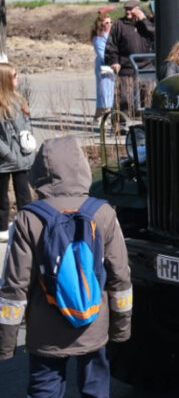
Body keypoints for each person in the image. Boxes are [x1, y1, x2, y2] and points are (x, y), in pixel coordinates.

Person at [0, 136, 132, 397]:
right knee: (96, 390)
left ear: (38, 173)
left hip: (46, 335)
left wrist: (6, 343)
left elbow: (14, 287)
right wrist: (120, 329)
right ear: (81, 168)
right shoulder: (104, 213)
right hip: (94, 326)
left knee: (44, 390)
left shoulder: (28, 218)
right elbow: (121, 279)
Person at [0, 63, 35, 242]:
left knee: (24, 194)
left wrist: (28, 140)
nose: (17, 78)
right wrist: (9, 155)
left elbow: (27, 122)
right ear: (5, 79)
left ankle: (26, 225)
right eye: (14, 76)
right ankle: (2, 228)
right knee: (2, 197)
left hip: (22, 157)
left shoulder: (20, 100)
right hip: (4, 161)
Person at [105, 0, 155, 120]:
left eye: (131, 9)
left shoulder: (148, 23)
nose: (128, 12)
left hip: (145, 67)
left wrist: (144, 20)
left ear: (138, 10)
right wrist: (114, 61)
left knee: (148, 97)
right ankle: (120, 124)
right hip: (126, 67)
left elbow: (155, 34)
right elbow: (111, 46)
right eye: (126, 9)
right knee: (123, 98)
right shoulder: (119, 25)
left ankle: (147, 123)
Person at [90, 10, 114, 123]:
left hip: (113, 68)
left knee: (109, 93)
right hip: (104, 68)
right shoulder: (98, 39)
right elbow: (103, 54)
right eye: (107, 23)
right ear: (101, 24)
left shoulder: (112, 36)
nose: (109, 25)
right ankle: (101, 117)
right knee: (104, 93)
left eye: (110, 22)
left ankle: (100, 117)